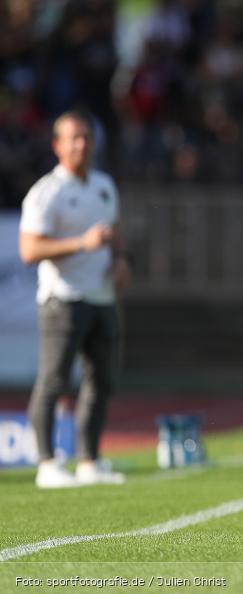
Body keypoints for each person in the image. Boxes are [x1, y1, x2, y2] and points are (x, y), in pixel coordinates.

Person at [19, 109, 130, 489]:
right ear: (57, 146)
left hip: (101, 297)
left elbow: (115, 235)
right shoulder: (47, 192)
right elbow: (29, 249)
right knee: (53, 381)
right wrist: (81, 243)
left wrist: (120, 261)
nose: (81, 144)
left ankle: (89, 460)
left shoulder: (103, 185)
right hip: (63, 299)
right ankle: (47, 463)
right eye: (73, 138)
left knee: (101, 382)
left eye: (86, 137)